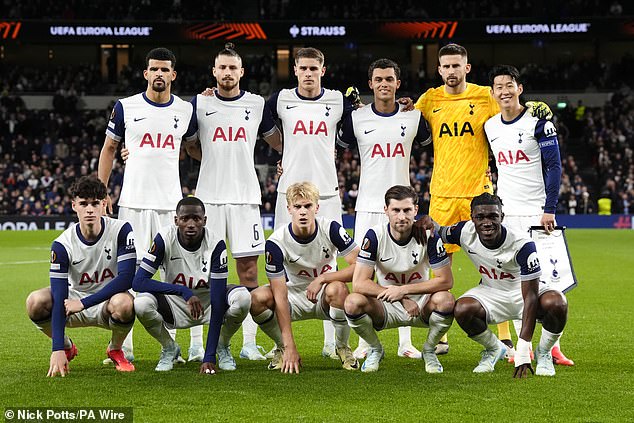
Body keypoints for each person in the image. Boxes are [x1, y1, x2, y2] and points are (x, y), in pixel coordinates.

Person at [414, 43, 551, 355]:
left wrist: (537, 110)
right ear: (439, 69)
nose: (451, 71)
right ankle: (441, 331)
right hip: (443, 194)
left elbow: (512, 112)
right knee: (439, 265)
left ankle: (503, 334)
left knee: (498, 259)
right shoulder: (430, 99)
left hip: (480, 195)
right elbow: (405, 120)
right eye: (445, 66)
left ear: (467, 67)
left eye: (456, 65)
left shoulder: (484, 96)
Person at [98, 47, 201, 361]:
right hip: (132, 205)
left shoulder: (185, 110)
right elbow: (109, 149)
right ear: (145, 73)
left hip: (172, 209)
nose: (159, 74)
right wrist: (102, 195)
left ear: (173, 75)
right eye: (153, 69)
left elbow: (197, 150)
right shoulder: (126, 107)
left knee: (174, 277)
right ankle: (122, 349)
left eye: (164, 70)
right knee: (127, 276)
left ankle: (175, 348)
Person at [187, 43, 282, 361]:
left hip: (244, 199)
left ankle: (248, 344)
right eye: (222, 68)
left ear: (242, 72)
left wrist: (290, 159)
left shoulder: (257, 104)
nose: (227, 73)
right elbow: (190, 148)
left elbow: (277, 141)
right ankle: (197, 345)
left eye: (233, 68)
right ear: (214, 71)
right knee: (200, 272)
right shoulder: (198, 103)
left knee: (248, 273)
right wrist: (215, 159)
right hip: (208, 200)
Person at [338, 58, 431, 360]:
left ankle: (406, 342)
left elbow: (433, 144)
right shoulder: (356, 118)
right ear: (371, 83)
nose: (384, 84)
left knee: (407, 270)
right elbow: (334, 146)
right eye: (378, 79)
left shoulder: (414, 116)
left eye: (389, 79)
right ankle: (366, 341)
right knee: (367, 273)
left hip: (403, 208)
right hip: (367, 206)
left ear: (397, 83)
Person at [266, 47, 355, 359]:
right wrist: (281, 153)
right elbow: (259, 125)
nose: (307, 74)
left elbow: (352, 130)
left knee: (331, 263)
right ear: (295, 70)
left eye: (313, 69)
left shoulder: (337, 101)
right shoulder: (280, 100)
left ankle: (334, 344)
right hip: (287, 195)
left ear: (322, 70)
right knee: (280, 263)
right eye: (302, 68)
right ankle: (280, 345)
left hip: (327, 193)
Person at [484, 64, 573, 366]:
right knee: (511, 281)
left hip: (538, 215)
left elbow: (555, 167)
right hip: (507, 216)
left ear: (519, 89)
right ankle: (518, 345)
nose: (505, 91)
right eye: (499, 86)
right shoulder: (490, 126)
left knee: (552, 284)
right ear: (493, 92)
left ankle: (553, 346)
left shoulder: (539, 124)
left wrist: (550, 209)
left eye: (510, 85)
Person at [438, 193, 568, 377]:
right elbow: (438, 231)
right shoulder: (464, 231)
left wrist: (523, 350)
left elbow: (531, 296)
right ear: (472, 218)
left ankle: (544, 352)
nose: (487, 222)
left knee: (557, 303)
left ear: (502, 217)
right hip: (491, 291)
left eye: (493, 216)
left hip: (523, 292)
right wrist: (425, 223)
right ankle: (494, 349)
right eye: (480, 217)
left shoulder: (522, 244)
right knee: (462, 308)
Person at [26, 176, 136, 377]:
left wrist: (85, 303)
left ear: (104, 204)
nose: (90, 209)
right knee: (35, 301)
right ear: (74, 205)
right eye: (83, 204)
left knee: (126, 303)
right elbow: (60, 296)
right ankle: (68, 347)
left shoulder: (122, 230)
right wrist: (57, 348)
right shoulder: (62, 244)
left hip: (107, 302)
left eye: (95, 203)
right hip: (74, 302)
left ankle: (115, 349)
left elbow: (127, 279)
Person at [250, 182, 359, 373]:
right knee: (258, 298)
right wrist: (289, 344)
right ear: (289, 209)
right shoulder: (276, 242)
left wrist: (323, 278)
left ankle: (342, 346)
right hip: (293, 296)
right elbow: (280, 294)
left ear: (316, 207)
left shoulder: (331, 229)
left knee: (338, 288)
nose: (303, 212)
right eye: (297, 206)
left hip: (325, 294)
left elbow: (361, 269)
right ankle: (281, 348)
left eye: (307, 206)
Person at [344, 185, 454, 373]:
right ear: (386, 210)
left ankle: (429, 350)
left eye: (407, 210)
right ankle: (375, 349)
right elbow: (359, 283)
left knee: (446, 300)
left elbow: (446, 281)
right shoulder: (375, 235)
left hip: (421, 304)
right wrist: (400, 297)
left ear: (416, 210)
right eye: (396, 210)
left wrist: (404, 291)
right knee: (352, 302)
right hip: (387, 304)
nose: (402, 217)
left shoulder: (428, 235)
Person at [133, 196, 249, 373]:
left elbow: (218, 302)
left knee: (243, 298)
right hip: (174, 303)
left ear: (204, 220)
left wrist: (209, 357)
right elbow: (138, 282)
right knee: (141, 304)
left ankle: (221, 346)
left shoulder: (216, 244)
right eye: (185, 218)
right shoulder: (164, 238)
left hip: (209, 302)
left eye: (196, 218)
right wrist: (183, 291)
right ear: (176, 220)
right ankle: (169, 347)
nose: (191, 224)